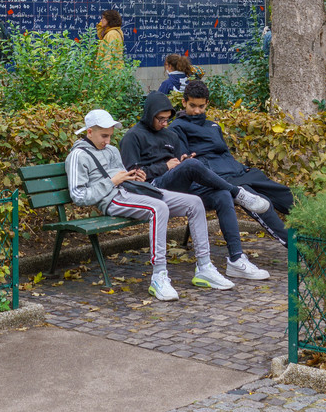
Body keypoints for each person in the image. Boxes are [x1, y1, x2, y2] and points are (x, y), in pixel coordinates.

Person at [65, 109, 234, 301]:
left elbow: (123, 176)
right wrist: (112, 181)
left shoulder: (111, 150)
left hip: (134, 191)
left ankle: (204, 267)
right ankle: (159, 276)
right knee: (158, 208)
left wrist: (136, 176)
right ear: (89, 132)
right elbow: (78, 196)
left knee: (194, 202)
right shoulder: (78, 156)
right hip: (113, 200)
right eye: (104, 136)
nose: (108, 141)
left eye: (111, 136)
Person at [119, 92, 273, 280]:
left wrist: (183, 160)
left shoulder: (170, 135)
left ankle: (236, 259)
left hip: (179, 186)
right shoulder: (133, 137)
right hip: (153, 188)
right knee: (194, 167)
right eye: (160, 119)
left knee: (222, 195)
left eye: (168, 119)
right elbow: (134, 176)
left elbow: (179, 160)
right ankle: (238, 192)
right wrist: (165, 166)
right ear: (150, 114)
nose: (165, 123)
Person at [169, 79, 291, 244]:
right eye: (192, 106)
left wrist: (242, 168)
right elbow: (185, 162)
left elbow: (225, 153)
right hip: (218, 179)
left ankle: (320, 236)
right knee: (264, 204)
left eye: (201, 106)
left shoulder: (213, 126)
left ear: (207, 104)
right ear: (184, 102)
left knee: (287, 196)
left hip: (239, 172)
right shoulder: (177, 127)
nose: (197, 111)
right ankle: (295, 249)